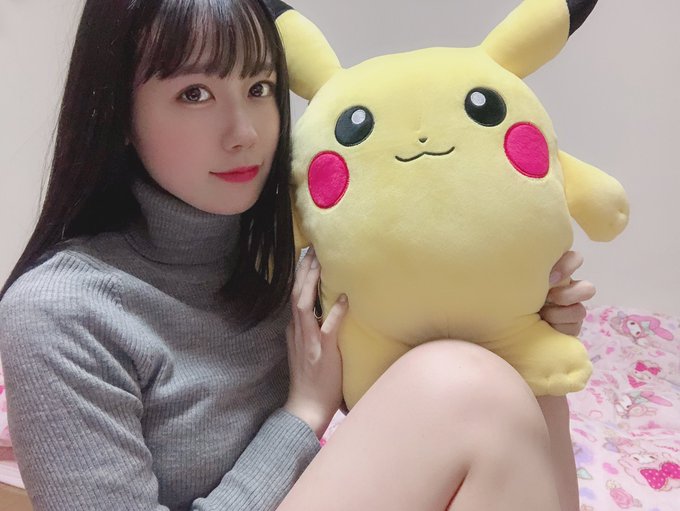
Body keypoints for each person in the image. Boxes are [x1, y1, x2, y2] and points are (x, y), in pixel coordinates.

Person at [0, 0, 594, 510]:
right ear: (119, 114)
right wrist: (305, 413)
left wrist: (524, 334)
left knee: (486, 384)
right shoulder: (58, 315)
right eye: (194, 93)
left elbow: (516, 475)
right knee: (463, 385)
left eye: (259, 88)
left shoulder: (292, 260)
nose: (244, 132)